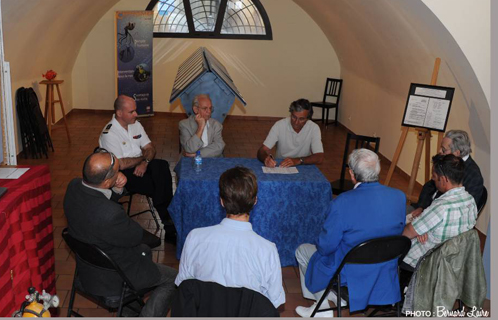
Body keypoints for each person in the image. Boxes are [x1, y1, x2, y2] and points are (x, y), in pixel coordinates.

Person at [63, 150, 178, 317]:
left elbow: (97, 200)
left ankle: (129, 313)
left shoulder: (73, 186)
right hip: (115, 278)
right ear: (107, 180)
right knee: (173, 279)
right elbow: (136, 235)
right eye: (118, 170)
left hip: (87, 269)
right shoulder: (111, 214)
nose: (121, 173)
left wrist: (116, 190)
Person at [295, 149, 406, 317]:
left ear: (352, 174)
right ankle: (324, 302)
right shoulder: (399, 197)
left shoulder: (342, 202)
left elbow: (326, 247)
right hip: (385, 269)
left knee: (303, 250)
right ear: (378, 170)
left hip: (350, 272)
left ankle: (325, 303)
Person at [175, 166, 285, 308]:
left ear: (221, 201)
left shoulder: (194, 238)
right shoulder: (267, 250)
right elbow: (273, 302)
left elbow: (183, 285)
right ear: (255, 201)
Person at [99, 95, 175, 240]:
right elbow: (120, 164)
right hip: (122, 175)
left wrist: (145, 162)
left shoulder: (136, 124)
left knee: (162, 166)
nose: (136, 114)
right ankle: (169, 222)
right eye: (131, 112)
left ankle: (169, 219)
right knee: (158, 184)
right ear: (119, 113)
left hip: (141, 164)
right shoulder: (109, 134)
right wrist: (142, 158)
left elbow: (150, 148)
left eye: (135, 111)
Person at [402, 154, 477, 269]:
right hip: (450, 262)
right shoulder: (471, 202)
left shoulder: (441, 207)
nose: (432, 178)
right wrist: (423, 227)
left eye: (434, 176)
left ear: (444, 179)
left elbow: (406, 234)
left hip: (422, 263)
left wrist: (414, 227)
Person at [410, 130, 483, 219]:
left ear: (457, 153)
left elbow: (462, 211)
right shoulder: (447, 161)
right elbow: (430, 185)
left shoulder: (474, 176)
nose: (439, 151)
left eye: (443, 149)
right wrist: (421, 207)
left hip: (441, 218)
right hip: (427, 209)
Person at [257, 99, 324, 168]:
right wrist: (266, 159)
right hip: (282, 165)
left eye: (301, 119)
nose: (296, 122)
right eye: (294, 117)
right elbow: (262, 150)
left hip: (303, 164)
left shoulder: (313, 128)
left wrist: (298, 160)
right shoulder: (279, 125)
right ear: (290, 114)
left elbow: (319, 157)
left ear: (308, 119)